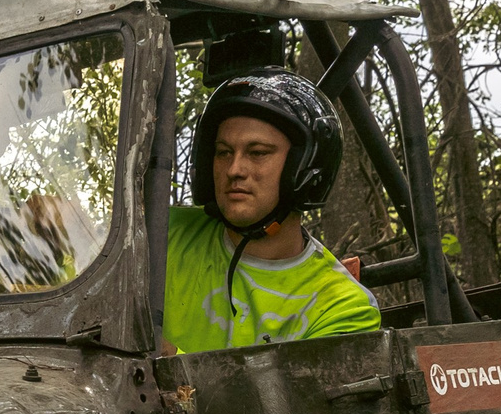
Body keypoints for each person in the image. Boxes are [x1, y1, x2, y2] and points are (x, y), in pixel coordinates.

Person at [164, 70, 382, 351]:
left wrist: (163, 358)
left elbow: (291, 397)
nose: (234, 170)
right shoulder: (161, 235)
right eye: (223, 153)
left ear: (302, 169)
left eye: (258, 153)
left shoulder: (342, 307)